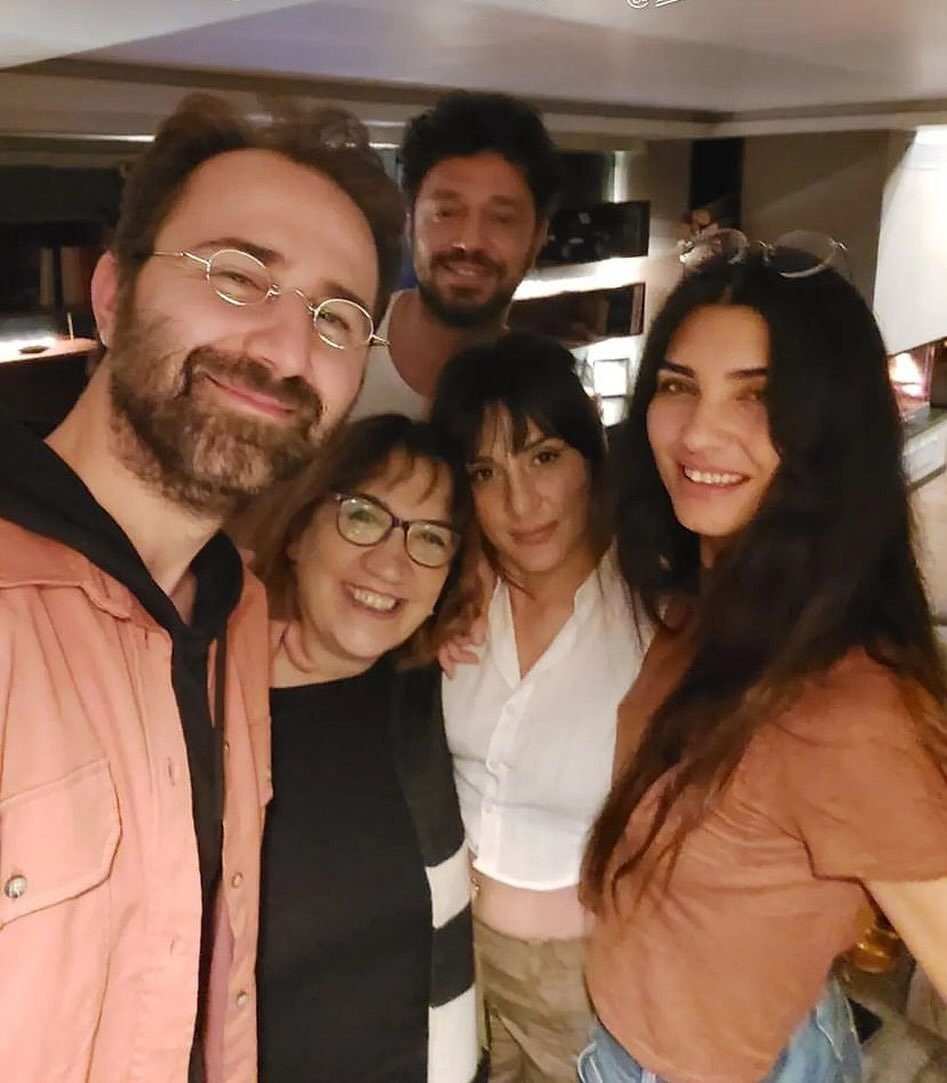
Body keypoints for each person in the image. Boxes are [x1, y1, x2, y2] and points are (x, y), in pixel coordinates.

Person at [0, 93, 403, 1083]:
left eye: (336, 318)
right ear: (110, 293)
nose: (287, 349)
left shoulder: (235, 612)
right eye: (237, 276)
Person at [578, 239, 947, 1083]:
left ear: (830, 430)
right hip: (633, 1046)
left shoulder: (845, 708)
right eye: (678, 385)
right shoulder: (700, 608)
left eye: (758, 395)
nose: (698, 430)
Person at [430, 331, 645, 1083]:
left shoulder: (653, 617)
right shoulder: (445, 599)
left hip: (585, 984)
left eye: (544, 457)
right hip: (456, 961)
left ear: (592, 455)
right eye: (485, 472)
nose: (520, 503)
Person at [247, 413, 486, 1083]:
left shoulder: (433, 694)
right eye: (362, 516)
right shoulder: (207, 712)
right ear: (298, 532)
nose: (391, 562)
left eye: (429, 538)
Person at [349, 92, 561, 421]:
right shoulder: (344, 343)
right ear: (409, 221)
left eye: (501, 218)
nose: (469, 241)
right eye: (445, 212)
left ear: (537, 238)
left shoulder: (540, 405)